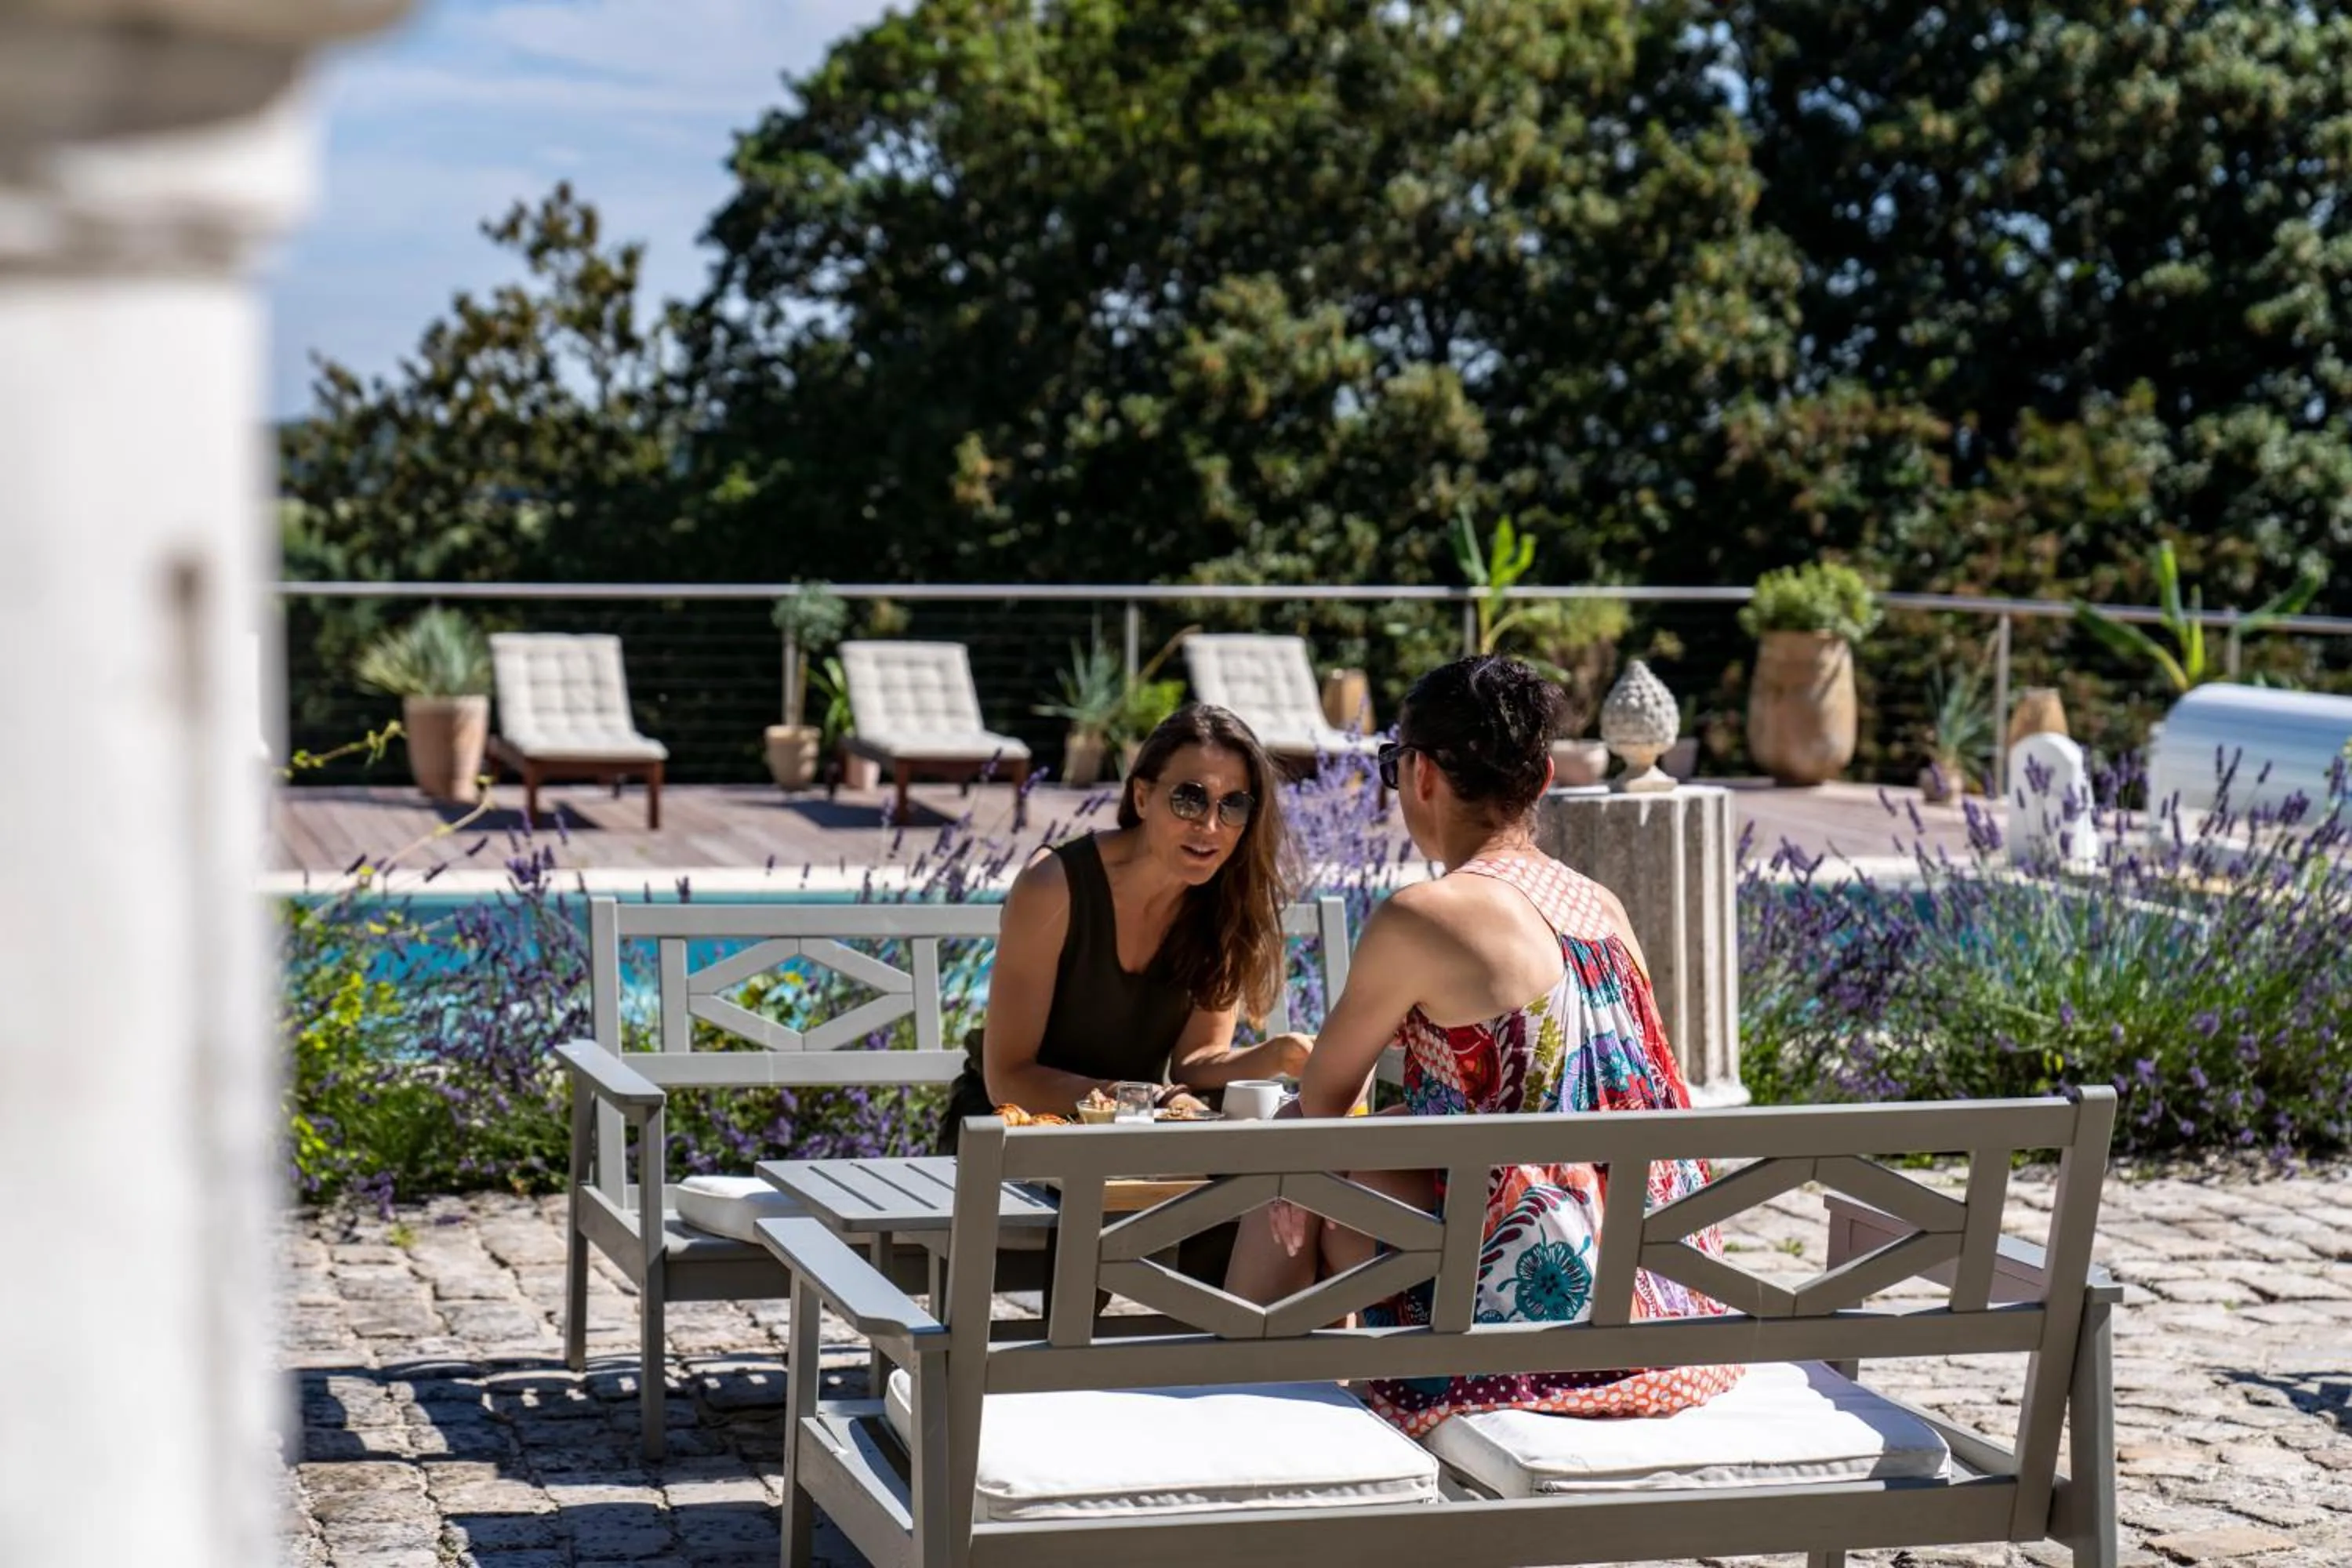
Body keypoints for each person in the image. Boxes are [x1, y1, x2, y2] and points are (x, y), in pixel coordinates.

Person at [1224, 653, 1742, 1436]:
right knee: (1347, 1158)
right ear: (1541, 780)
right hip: (1671, 1306)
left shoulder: (1426, 914)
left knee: (1296, 1164)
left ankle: (1238, 1410)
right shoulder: (1601, 906)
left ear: (1422, 774)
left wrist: (1299, 1154)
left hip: (1540, 1321)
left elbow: (1325, 1098)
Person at [938, 702, 1308, 1150]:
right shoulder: (1053, 885)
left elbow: (1195, 1062)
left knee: (1264, 1185)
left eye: (1233, 804)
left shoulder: (1224, 901)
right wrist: (1145, 1099)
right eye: (1189, 799)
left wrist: (1278, 1054)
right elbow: (1009, 1079)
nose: (1210, 825)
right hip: (1008, 1138)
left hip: (1130, 1140)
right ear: (1141, 797)